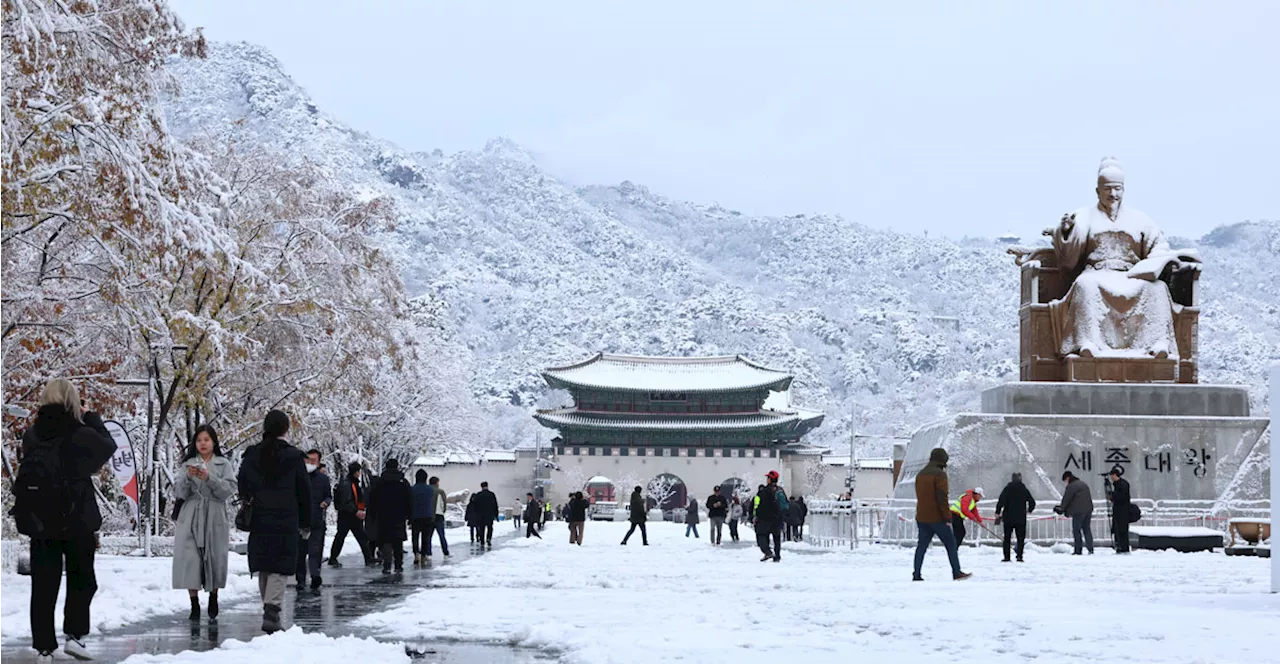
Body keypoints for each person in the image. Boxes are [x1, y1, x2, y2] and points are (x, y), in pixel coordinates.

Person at [19, 379, 116, 661]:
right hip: (76, 518)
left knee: (43, 586)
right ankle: (74, 635)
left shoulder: (33, 434)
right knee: (82, 579)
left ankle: (44, 648)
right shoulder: (80, 431)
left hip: (41, 519)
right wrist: (91, 417)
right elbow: (107, 447)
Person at [237, 409, 311, 633]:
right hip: (285, 518)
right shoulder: (294, 457)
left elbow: (242, 484)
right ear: (286, 429)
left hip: (260, 518)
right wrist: (306, 521)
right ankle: (272, 610)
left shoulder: (251, 455)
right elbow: (304, 491)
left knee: (266, 566)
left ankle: (268, 609)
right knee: (280, 566)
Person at [172, 425, 235, 622]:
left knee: (214, 556)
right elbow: (180, 493)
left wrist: (209, 478)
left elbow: (228, 490)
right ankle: (194, 603)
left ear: (214, 441)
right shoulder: (188, 464)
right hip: (191, 514)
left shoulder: (223, 464)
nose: (203, 443)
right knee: (190, 558)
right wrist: (188, 478)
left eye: (206, 439)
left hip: (214, 513)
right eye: (199, 440)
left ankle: (214, 596)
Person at [912, 448, 970, 581]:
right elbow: (942, 497)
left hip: (921, 516)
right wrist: (947, 516)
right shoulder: (940, 475)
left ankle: (916, 574)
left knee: (921, 547)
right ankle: (956, 572)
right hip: (937, 517)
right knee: (951, 544)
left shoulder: (920, 474)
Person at [367, 458, 411, 573]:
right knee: (398, 540)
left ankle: (387, 563)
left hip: (383, 516)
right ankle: (398, 564)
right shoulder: (403, 483)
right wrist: (408, 514)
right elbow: (409, 500)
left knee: (385, 540)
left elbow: (372, 500)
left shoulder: (380, 483)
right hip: (399, 516)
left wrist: (372, 514)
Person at [297, 449, 331, 589]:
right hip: (299, 520)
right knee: (300, 551)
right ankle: (300, 579)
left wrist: (325, 503)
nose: (310, 463)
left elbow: (328, 496)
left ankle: (315, 575)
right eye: (308, 460)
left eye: (313, 461)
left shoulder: (323, 479)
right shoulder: (298, 477)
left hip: (317, 519)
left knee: (315, 550)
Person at [329, 462, 374, 568]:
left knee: (360, 537)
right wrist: (356, 511)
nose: (360, 473)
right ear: (356, 472)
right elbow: (346, 501)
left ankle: (368, 558)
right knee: (342, 536)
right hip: (348, 516)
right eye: (359, 471)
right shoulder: (348, 484)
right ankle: (333, 558)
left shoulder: (351, 483)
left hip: (351, 515)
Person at [994, 472, 1036, 562]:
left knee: (1007, 538)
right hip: (1020, 518)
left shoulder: (1007, 489)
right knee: (1020, 538)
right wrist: (1029, 510)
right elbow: (1032, 501)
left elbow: (1001, 501)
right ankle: (1019, 556)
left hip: (1008, 517)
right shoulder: (1024, 489)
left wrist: (997, 512)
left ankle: (1007, 557)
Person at [1054, 471, 1095, 555]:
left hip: (1078, 512)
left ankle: (1078, 550)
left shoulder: (1071, 486)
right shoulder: (1083, 484)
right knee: (1087, 530)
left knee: (1076, 531)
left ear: (1068, 478)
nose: (1066, 482)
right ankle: (1090, 549)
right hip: (1088, 510)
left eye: (1065, 480)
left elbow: (1066, 499)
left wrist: (1061, 508)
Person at [753, 471, 788, 562]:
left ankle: (767, 552)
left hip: (765, 518)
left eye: (768, 478)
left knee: (761, 535)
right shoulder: (780, 490)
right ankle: (777, 556)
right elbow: (785, 504)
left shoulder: (764, 491)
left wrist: (757, 516)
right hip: (777, 518)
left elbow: (760, 505)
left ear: (769, 479)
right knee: (776, 538)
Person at [426, 476, 463, 557]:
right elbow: (444, 504)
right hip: (439, 516)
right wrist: (443, 511)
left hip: (429, 515)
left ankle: (428, 552)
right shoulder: (441, 491)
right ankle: (445, 552)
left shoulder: (427, 490)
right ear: (436, 482)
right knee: (442, 535)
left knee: (428, 536)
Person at [410, 470, 434, 564]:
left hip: (415, 516)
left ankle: (416, 553)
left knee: (415, 536)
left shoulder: (412, 489)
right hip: (427, 515)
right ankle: (424, 555)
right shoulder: (430, 489)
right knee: (426, 537)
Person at [1108, 467, 1132, 554]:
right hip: (1120, 510)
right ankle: (1120, 546)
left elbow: (1123, 497)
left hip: (1122, 511)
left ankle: (1123, 547)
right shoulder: (1120, 484)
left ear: (1115, 475)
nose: (1111, 478)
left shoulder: (1122, 484)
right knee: (1118, 529)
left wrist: (1113, 496)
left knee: (1122, 530)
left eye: (1112, 476)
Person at [473, 482, 499, 548]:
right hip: (489, 515)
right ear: (487, 486)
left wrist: (476, 514)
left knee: (482, 528)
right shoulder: (491, 494)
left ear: (481, 487)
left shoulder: (478, 495)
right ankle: (488, 538)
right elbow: (495, 505)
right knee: (490, 527)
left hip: (480, 515)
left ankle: (482, 540)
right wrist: (496, 514)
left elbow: (475, 506)